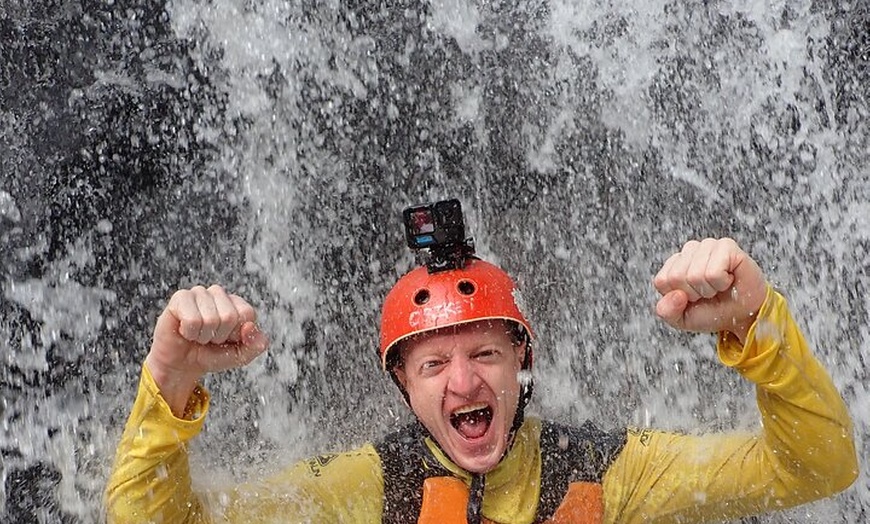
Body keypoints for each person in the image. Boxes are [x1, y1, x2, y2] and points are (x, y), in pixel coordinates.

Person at [105, 236, 858, 523]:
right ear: (404, 387)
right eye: (433, 363)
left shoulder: (609, 472)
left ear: (521, 361)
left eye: (487, 355)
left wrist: (755, 326)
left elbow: (818, 468)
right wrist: (170, 380)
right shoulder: (364, 490)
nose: (463, 382)